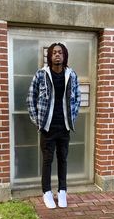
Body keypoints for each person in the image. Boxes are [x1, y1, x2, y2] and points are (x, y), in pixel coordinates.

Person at [26, 43, 81, 209]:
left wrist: (72, 117)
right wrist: (39, 122)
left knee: (63, 159)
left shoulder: (71, 75)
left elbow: (77, 98)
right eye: (54, 52)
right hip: (47, 127)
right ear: (50, 56)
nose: (57, 55)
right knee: (47, 161)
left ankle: (62, 191)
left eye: (60, 52)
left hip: (64, 127)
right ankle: (47, 192)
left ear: (64, 56)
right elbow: (30, 99)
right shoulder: (41, 75)